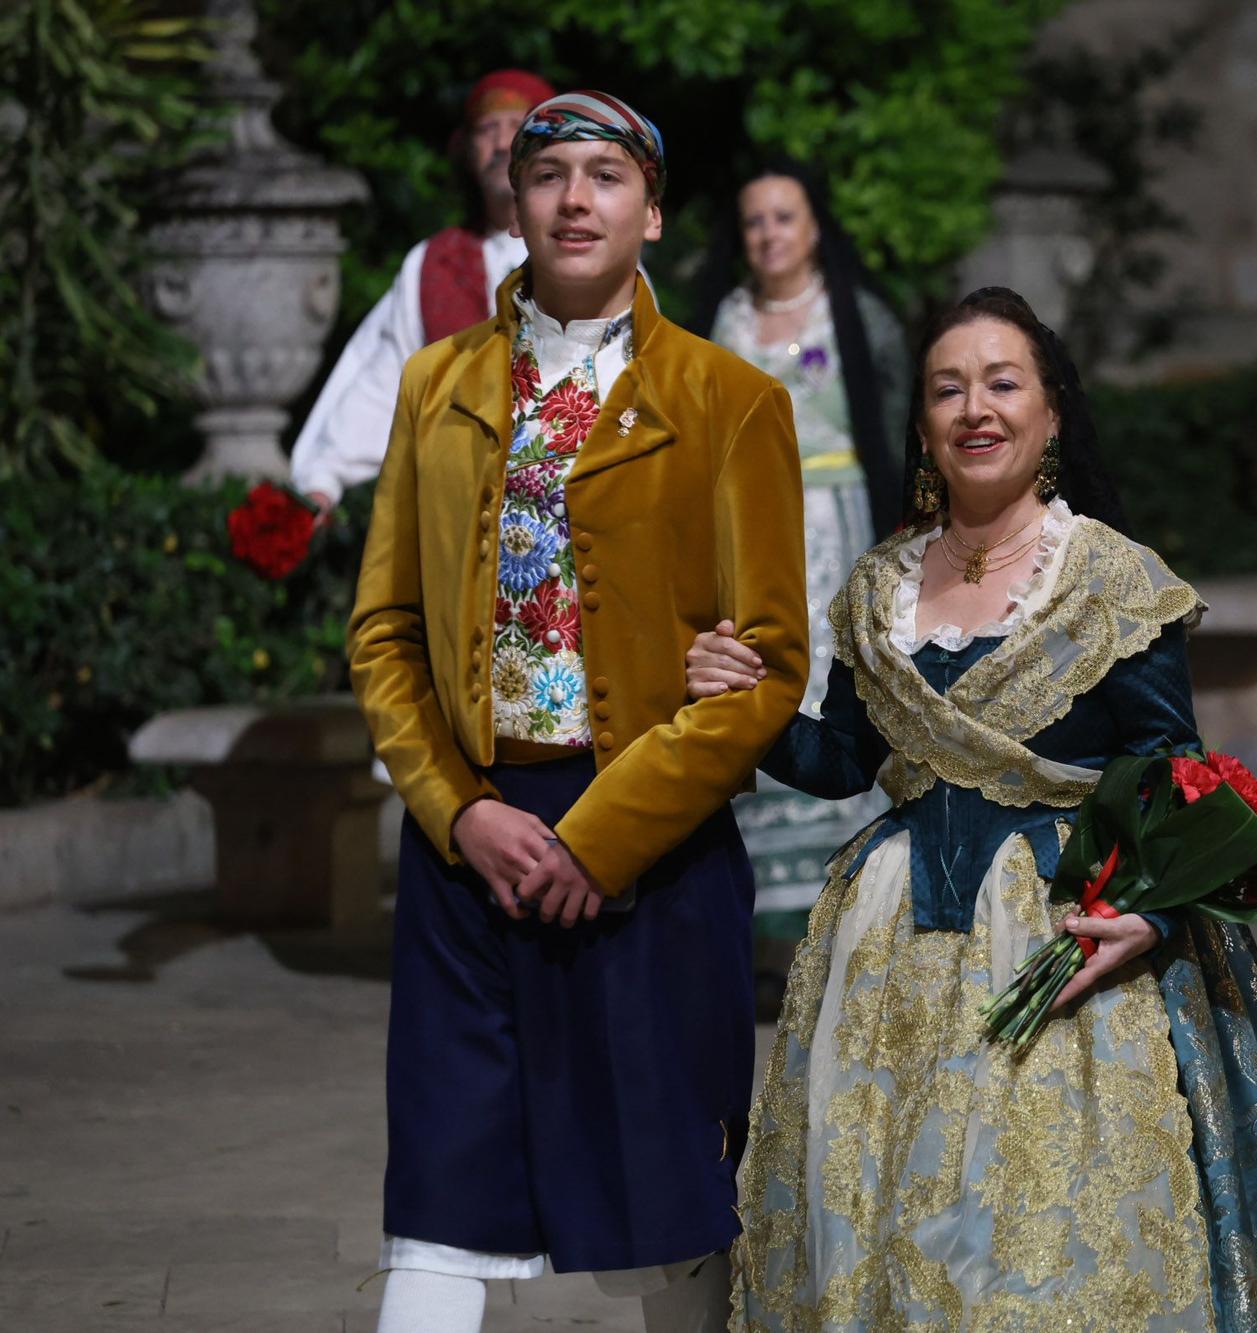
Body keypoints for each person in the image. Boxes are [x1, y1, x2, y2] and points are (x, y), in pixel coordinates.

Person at [688, 287, 1257, 1330]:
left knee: (1037, 1235)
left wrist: (1149, 916)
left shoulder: (1107, 579)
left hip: (1059, 945)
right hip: (888, 961)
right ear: (920, 424)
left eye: (1002, 383)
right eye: (946, 388)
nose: (976, 408)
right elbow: (841, 758)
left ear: (1050, 413)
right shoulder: (877, 586)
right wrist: (747, 705)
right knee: (891, 1223)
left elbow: (1171, 772)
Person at [346, 91, 809, 1333]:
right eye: (548, 173)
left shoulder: (731, 401)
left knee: (670, 1200)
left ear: (650, 213)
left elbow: (768, 663)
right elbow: (383, 633)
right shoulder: (436, 387)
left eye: (605, 176)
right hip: (469, 848)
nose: (573, 197)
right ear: (515, 202)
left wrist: (602, 839)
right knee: (443, 1191)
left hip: (649, 849)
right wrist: (456, 811)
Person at [686, 160, 909, 934]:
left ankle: (853, 900)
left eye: (784, 216)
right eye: (755, 220)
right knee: (757, 676)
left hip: (840, 526)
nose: (769, 234)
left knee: (834, 681)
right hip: (748, 527)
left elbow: (893, 427)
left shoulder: (858, 316)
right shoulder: (722, 318)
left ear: (815, 226)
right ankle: (763, 911)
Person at [290, 68, 555, 521]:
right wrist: (323, 481)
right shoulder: (432, 264)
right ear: (468, 151)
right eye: (486, 130)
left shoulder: (593, 249)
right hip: (459, 521)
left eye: (517, 127)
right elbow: (385, 381)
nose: (500, 143)